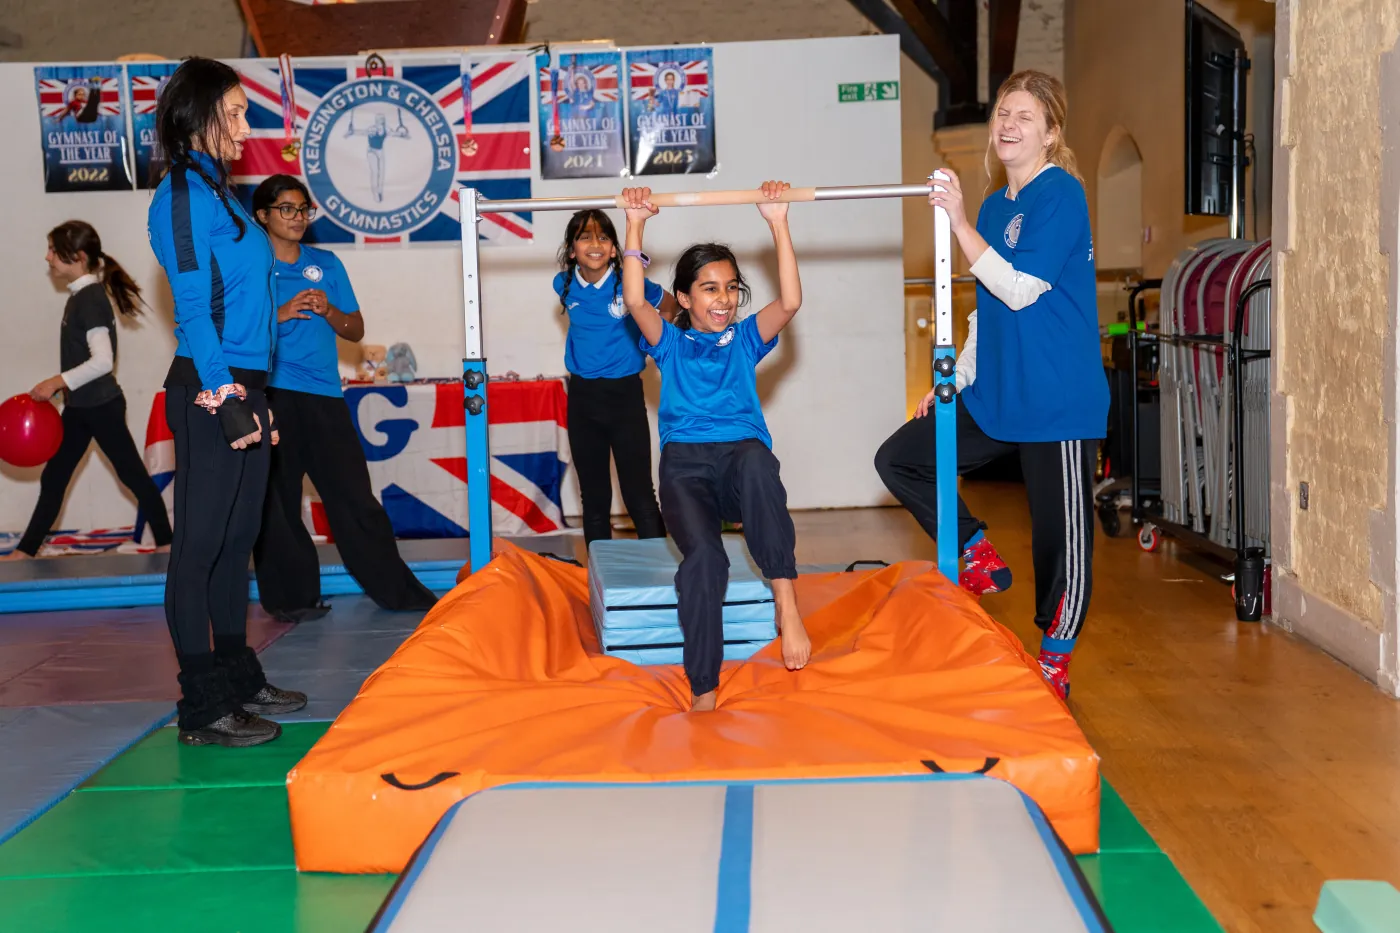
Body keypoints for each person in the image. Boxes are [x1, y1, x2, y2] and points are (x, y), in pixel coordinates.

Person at [874, 70, 1103, 700]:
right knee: (901, 459)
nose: (1008, 124)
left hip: (1057, 400)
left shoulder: (1062, 195)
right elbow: (987, 308)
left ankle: (1054, 658)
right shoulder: (997, 205)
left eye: (1025, 116)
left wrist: (956, 223)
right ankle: (975, 546)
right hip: (998, 392)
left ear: (1051, 133)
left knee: (1060, 542)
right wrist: (958, 377)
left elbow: (1021, 289)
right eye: (1003, 112)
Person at [147, 57, 306, 748]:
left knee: (239, 541)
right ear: (201, 114)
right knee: (199, 548)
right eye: (237, 112)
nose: (247, 126)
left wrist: (258, 393)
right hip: (209, 386)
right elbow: (191, 304)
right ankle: (202, 706)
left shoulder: (224, 194)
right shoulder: (182, 193)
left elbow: (245, 303)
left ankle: (238, 678)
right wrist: (226, 395)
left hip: (247, 382)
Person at [621, 181, 812, 712]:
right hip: (686, 469)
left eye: (730, 287)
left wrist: (777, 222)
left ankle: (787, 604)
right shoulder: (670, 342)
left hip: (738, 464)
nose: (723, 298)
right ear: (684, 298)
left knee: (755, 460)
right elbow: (635, 298)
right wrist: (636, 223)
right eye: (708, 288)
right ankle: (703, 686)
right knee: (704, 562)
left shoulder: (747, 338)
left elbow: (791, 301)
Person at [249, 174, 437, 621]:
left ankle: (399, 592)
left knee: (354, 498)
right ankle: (294, 598)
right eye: (287, 209)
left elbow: (356, 329)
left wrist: (328, 310)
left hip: (324, 395)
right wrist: (283, 312)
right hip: (272, 393)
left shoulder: (326, 262)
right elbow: (236, 332)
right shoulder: (251, 267)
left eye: (304, 209)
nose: (298, 218)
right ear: (263, 215)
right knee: (277, 502)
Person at [0, 222, 173, 563]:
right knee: (55, 477)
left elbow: (103, 361)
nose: (47, 257)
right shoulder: (81, 296)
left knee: (131, 474)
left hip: (101, 406)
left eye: (53, 250)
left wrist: (56, 381)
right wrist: (65, 388)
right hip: (82, 407)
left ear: (77, 257)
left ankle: (167, 542)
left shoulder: (90, 299)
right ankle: (26, 550)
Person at [554, 209, 679, 545]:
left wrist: (657, 341)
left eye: (604, 237)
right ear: (571, 250)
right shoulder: (562, 285)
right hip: (582, 400)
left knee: (639, 493)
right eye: (584, 237)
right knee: (593, 500)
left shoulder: (630, 284)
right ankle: (598, 581)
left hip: (625, 397)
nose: (594, 243)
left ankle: (662, 577)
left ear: (613, 249)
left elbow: (668, 304)